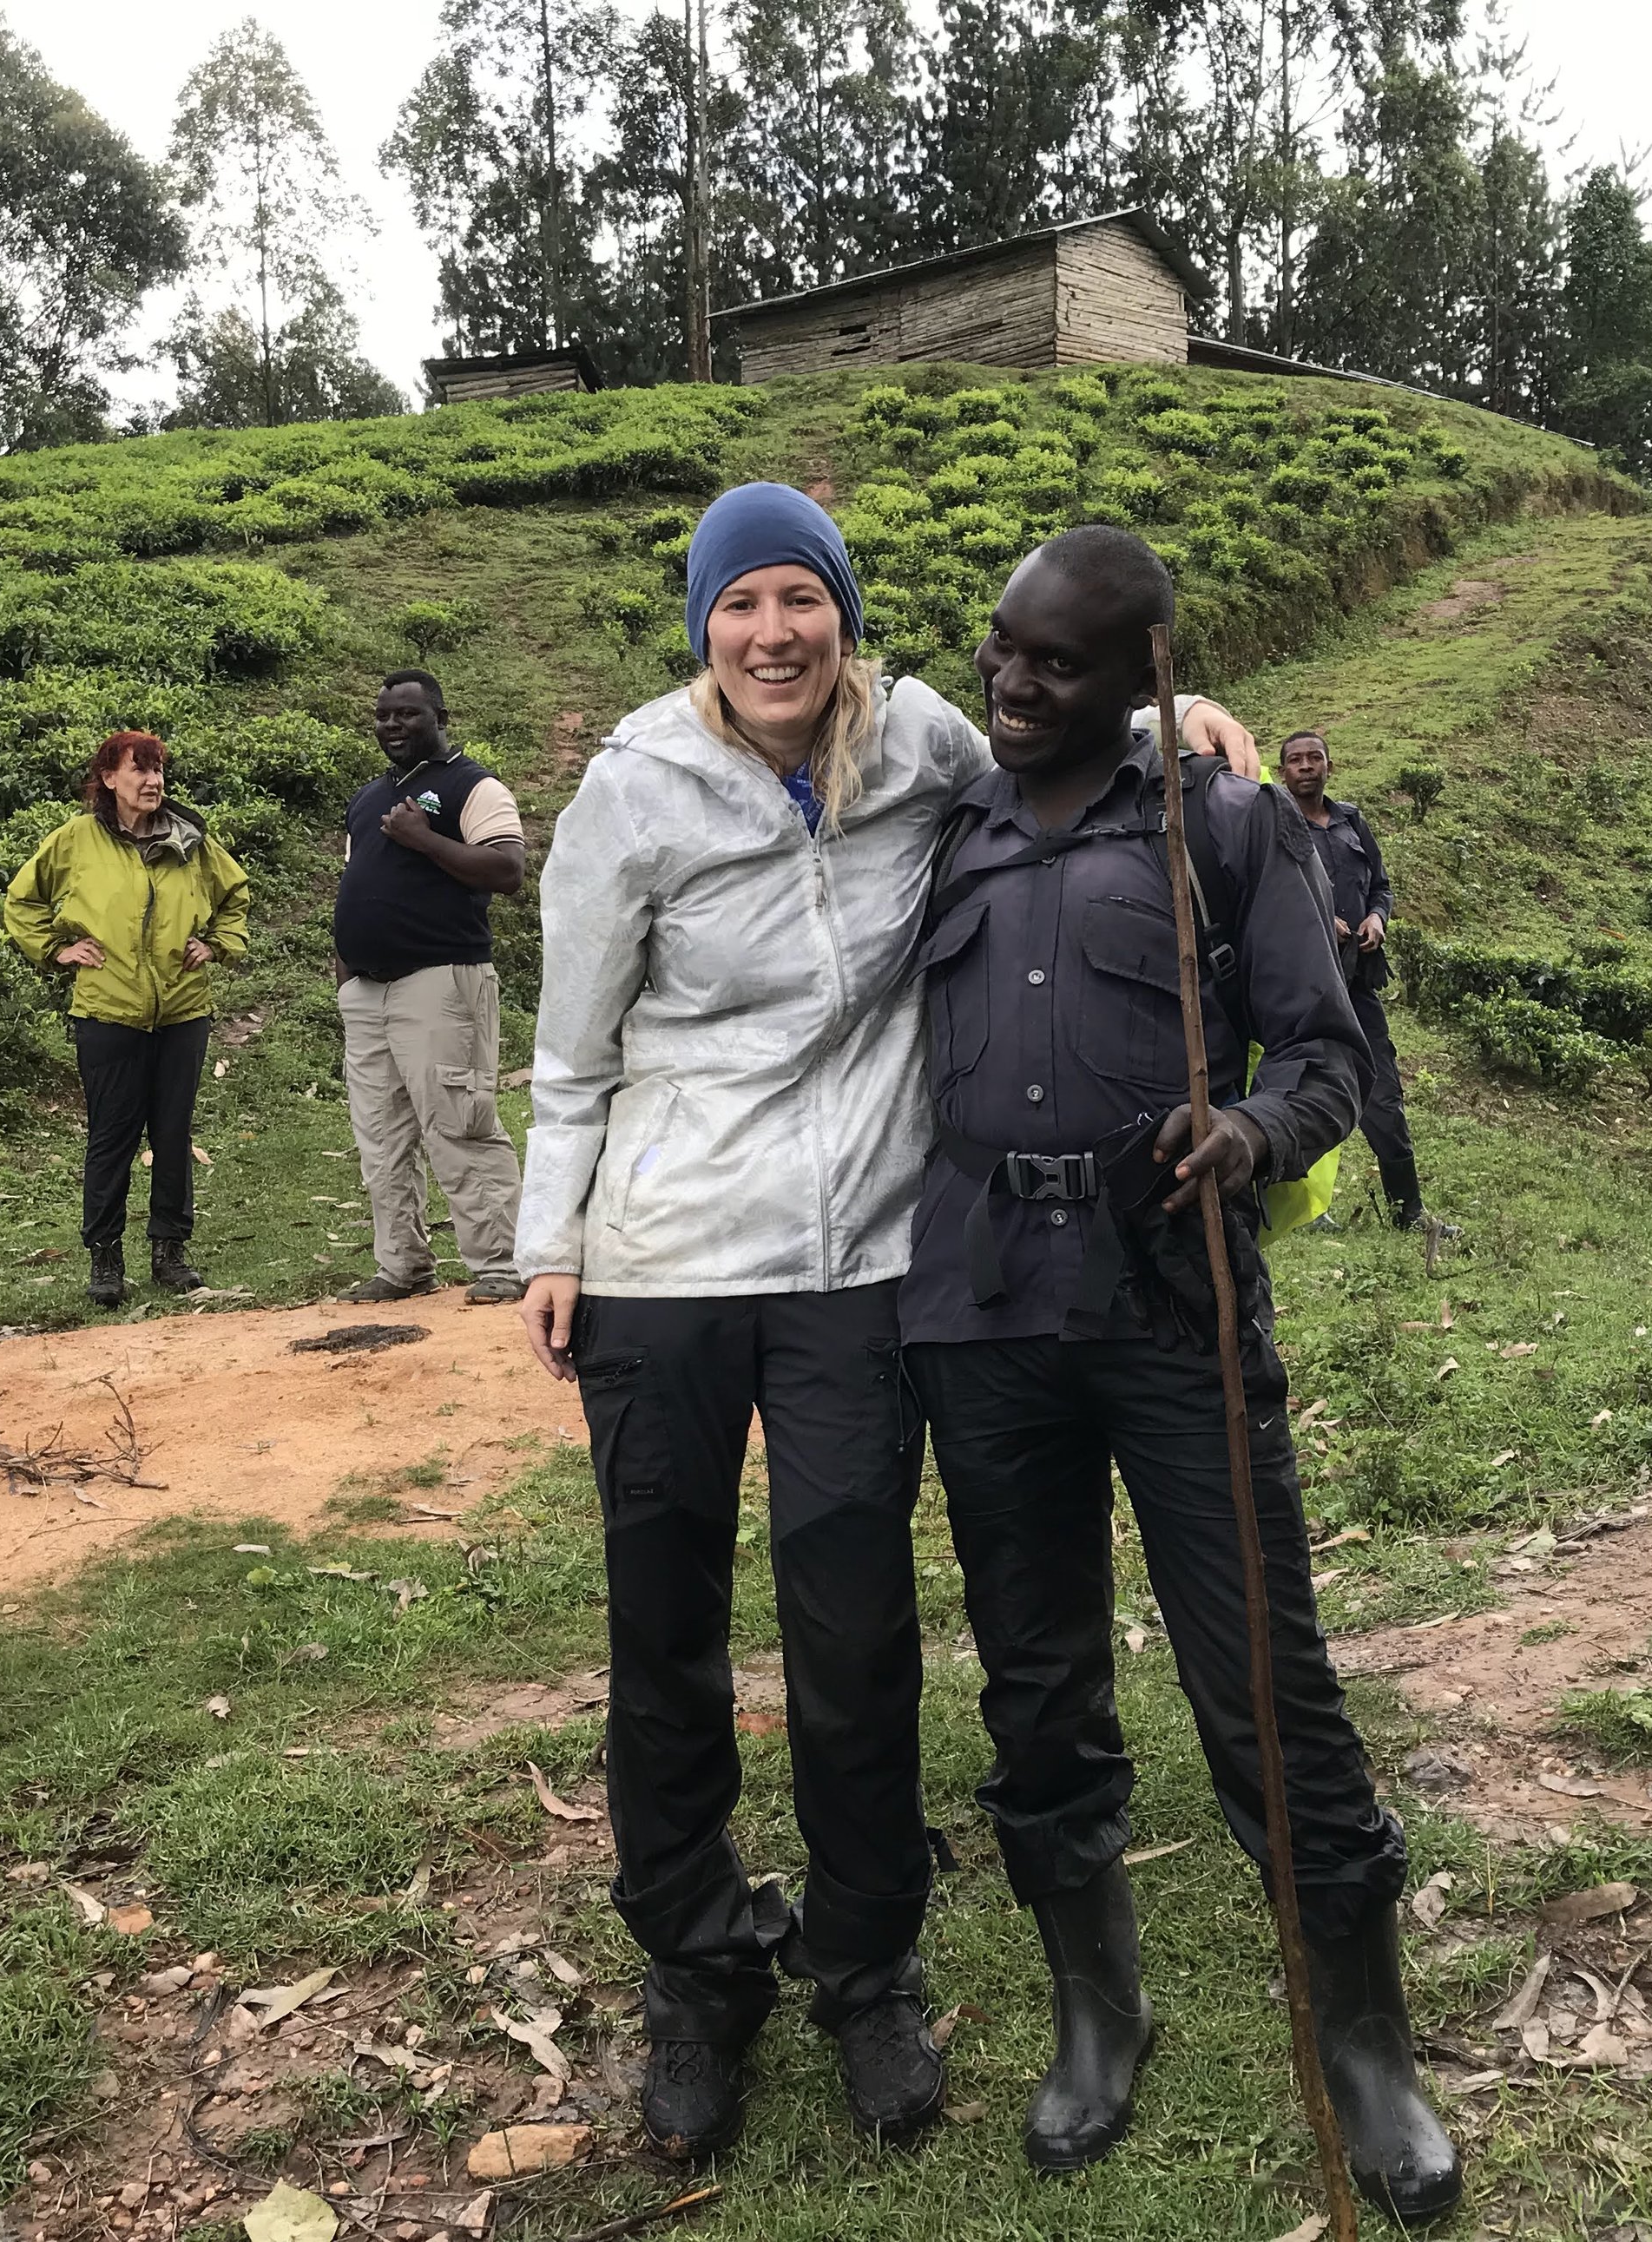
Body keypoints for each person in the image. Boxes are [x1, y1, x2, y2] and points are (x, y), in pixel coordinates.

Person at [512, 482, 1254, 2164]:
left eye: (801, 598)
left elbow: (1058, 770)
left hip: (856, 1262)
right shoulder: (633, 787)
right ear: (702, 625)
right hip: (663, 1264)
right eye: (738, 603)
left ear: (843, 613)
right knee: (664, 1632)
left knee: (851, 1635)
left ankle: (865, 1964)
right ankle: (698, 1959)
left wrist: (1170, 718)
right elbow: (571, 1045)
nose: (772, 632)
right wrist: (549, 1238)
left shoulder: (919, 739)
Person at [901, 529, 1462, 2221]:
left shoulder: (1224, 825)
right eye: (1000, 648)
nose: (1010, 679)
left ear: (1143, 671)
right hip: (984, 1307)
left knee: (1264, 1681)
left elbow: (1327, 1053)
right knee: (1037, 1681)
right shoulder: (947, 825)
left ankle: (1363, 2041)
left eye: (1053, 660)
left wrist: (1253, 1127)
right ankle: (1099, 2007)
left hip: (1172, 1302)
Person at [3, 729, 251, 1306]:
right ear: (109, 778)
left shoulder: (190, 839)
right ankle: (106, 1258)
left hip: (183, 1010)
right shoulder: (76, 839)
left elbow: (234, 895)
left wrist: (216, 943)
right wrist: (57, 949)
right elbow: (22, 900)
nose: (152, 780)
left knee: (172, 1134)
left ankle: (170, 1251)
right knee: (112, 1137)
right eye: (139, 770)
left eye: (158, 769)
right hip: (108, 1012)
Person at [332, 670, 532, 1305]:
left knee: (459, 1123)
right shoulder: (368, 798)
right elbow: (355, 882)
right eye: (384, 715)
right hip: (368, 992)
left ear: (441, 718)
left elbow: (507, 870)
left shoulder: (474, 786)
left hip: (441, 980)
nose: (392, 725)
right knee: (381, 1134)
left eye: (408, 714)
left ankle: (501, 1264)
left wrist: (424, 839)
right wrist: (346, 976)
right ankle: (402, 1266)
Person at [1277, 728, 1442, 1233]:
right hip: (1302, 987)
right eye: (1296, 760)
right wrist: (1316, 919)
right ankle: (1299, 1209)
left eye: (1315, 757)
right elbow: (1264, 896)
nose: (1307, 766)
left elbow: (1382, 887)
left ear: (1330, 766)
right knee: (1298, 1088)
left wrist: (1376, 918)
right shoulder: (1272, 824)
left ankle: (1408, 1212)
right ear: (1283, 772)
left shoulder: (1351, 821)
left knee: (1382, 1089)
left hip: (1358, 982)